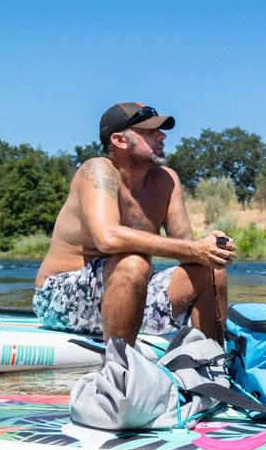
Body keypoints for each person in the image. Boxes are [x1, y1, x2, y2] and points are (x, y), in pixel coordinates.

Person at [33, 102, 234, 345]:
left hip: (131, 290)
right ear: (119, 140)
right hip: (61, 297)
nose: (162, 136)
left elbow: (186, 248)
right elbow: (107, 239)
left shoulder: (167, 179)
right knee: (133, 263)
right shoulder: (98, 171)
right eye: (150, 132)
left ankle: (212, 363)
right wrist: (194, 250)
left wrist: (211, 249)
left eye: (160, 130)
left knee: (212, 272)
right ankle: (119, 371)